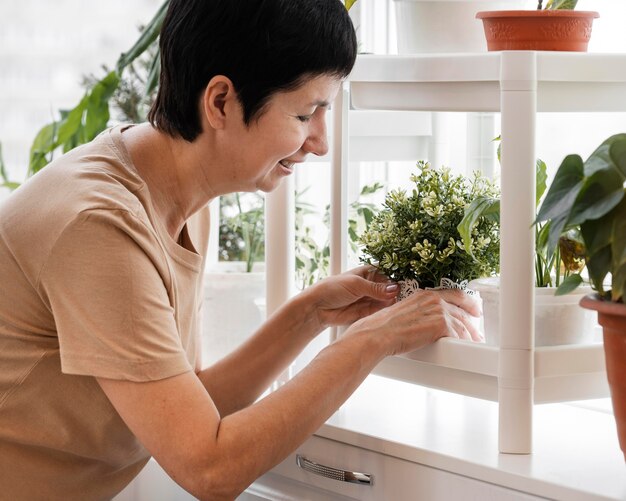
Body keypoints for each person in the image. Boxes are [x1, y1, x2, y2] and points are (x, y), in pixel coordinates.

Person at [0, 0, 482, 499]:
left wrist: (311, 313)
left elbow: (189, 407)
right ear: (221, 102)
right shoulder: (100, 227)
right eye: (304, 113)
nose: (321, 142)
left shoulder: (179, 197)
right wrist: (372, 340)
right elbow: (208, 467)